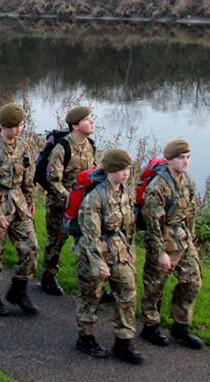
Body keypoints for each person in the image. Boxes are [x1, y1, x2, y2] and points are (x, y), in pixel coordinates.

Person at [75, 149, 142, 364]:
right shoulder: (94, 197)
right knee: (90, 296)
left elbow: (128, 226)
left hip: (119, 250)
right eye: (121, 169)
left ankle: (124, 341)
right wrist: (99, 264)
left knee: (128, 293)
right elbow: (90, 236)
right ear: (110, 170)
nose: (125, 173)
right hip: (94, 252)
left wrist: (129, 252)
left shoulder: (124, 192)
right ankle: (85, 337)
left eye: (128, 169)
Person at [140, 139, 203, 349]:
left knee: (192, 281)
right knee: (154, 286)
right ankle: (150, 326)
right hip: (163, 241)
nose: (186, 162)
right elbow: (152, 223)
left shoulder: (188, 182)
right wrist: (160, 252)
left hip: (183, 241)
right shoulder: (158, 186)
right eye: (181, 158)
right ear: (170, 160)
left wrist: (192, 240)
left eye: (188, 157)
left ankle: (181, 325)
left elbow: (190, 213)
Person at [0, 104, 39, 316]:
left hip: (19, 204)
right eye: (14, 126)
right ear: (4, 126)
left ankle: (18, 290)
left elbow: (28, 178)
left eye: (21, 125)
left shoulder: (23, 147)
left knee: (31, 248)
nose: (18, 130)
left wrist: (29, 200)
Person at [41, 107, 96, 296]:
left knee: (89, 243)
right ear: (75, 125)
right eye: (88, 120)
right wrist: (70, 200)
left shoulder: (90, 145)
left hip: (84, 205)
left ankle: (92, 285)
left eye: (91, 119)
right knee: (56, 242)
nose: (92, 122)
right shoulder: (62, 148)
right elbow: (53, 180)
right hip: (60, 205)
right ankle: (48, 277)